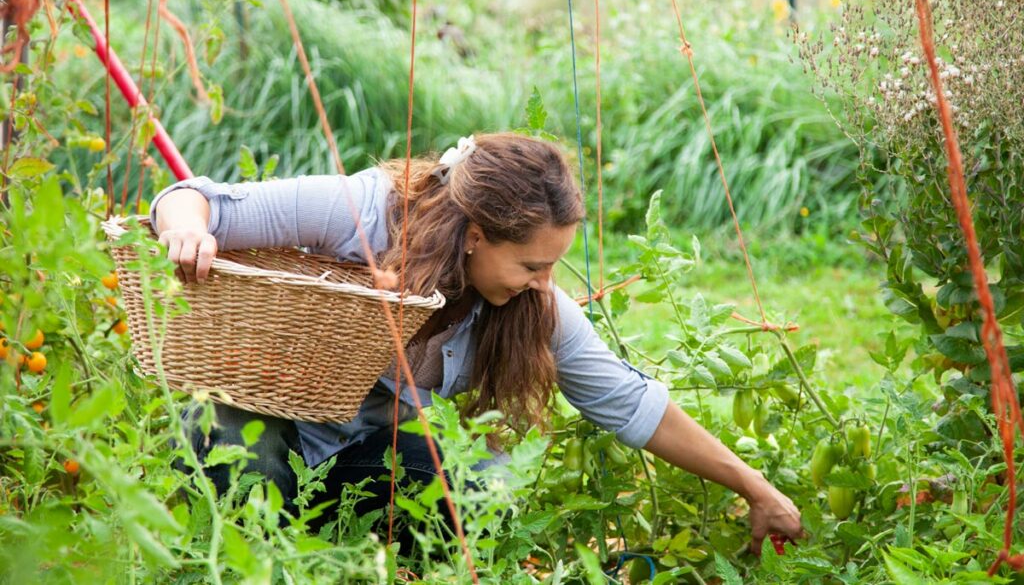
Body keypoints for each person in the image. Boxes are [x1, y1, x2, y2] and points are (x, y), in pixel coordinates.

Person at [151, 132, 803, 552]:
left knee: (464, 482)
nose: (544, 284)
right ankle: (249, 555)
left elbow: (632, 404)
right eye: (530, 266)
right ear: (474, 236)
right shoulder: (369, 212)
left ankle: (345, 553)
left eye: (551, 266)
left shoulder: (531, 306)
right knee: (228, 438)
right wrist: (188, 231)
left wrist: (755, 487)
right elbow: (195, 199)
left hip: (353, 463)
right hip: (276, 422)